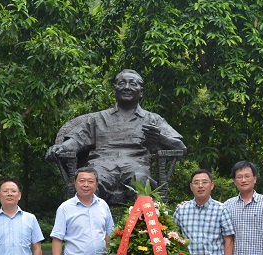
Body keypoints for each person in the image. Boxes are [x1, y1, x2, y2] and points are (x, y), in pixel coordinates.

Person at [45, 69, 186, 204]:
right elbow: (76, 141)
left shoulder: (152, 119)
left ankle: (143, 221)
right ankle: (87, 219)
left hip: (136, 166)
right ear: (115, 90)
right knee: (91, 180)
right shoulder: (97, 119)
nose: (127, 87)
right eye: (122, 83)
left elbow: (181, 147)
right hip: (101, 166)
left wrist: (160, 138)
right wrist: (60, 148)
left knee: (141, 180)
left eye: (133, 84)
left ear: (141, 92)